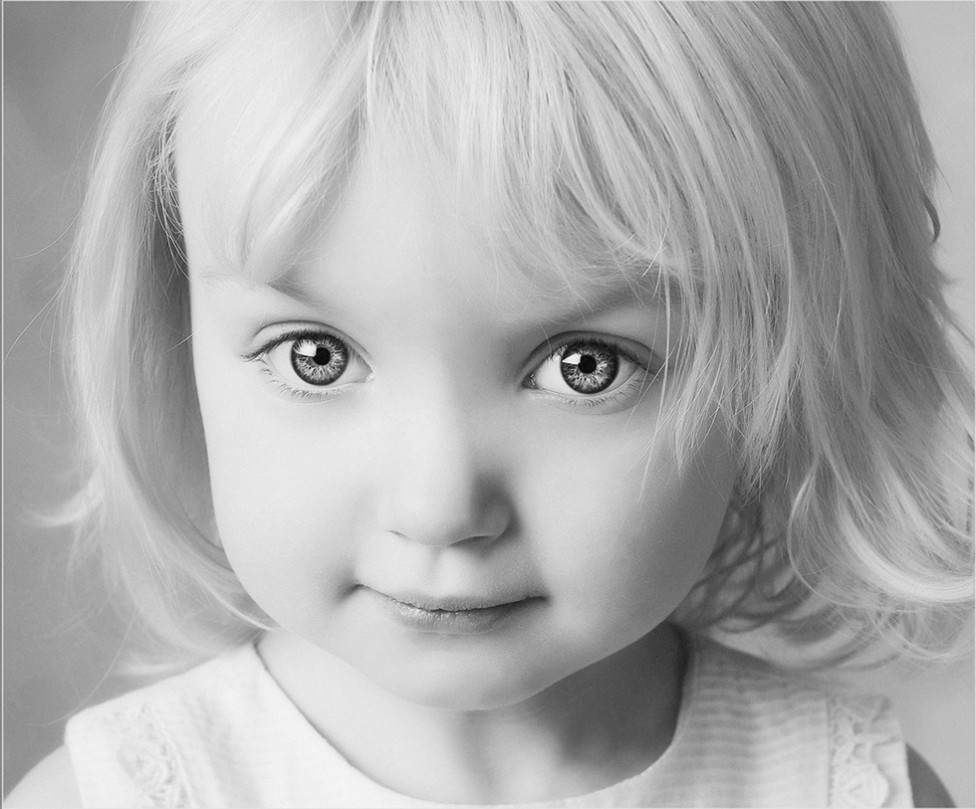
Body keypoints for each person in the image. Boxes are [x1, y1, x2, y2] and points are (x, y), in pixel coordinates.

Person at [7, 2, 972, 806]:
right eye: (315, 355)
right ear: (173, 335)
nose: (440, 505)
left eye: (585, 364)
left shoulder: (850, 789)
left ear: (791, 361)